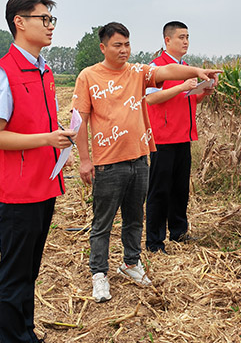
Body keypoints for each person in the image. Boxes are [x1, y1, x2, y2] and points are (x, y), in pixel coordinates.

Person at [72, 22, 221, 303]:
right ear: (103, 47)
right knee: (102, 223)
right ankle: (99, 274)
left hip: (139, 158)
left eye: (127, 44)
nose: (124, 50)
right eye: (118, 45)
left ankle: (131, 263)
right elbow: (79, 121)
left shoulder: (138, 72)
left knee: (134, 219)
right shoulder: (88, 76)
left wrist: (196, 72)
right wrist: (84, 159)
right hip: (107, 162)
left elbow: (167, 71)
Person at [0, 0, 77, 343]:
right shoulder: (4, 72)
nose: (50, 26)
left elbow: (38, 124)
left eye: (52, 19)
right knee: (13, 273)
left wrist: (60, 145)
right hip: (18, 190)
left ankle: (27, 336)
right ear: (20, 22)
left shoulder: (43, 70)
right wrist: (46, 139)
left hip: (43, 184)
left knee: (30, 270)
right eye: (45, 18)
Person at [145, 21, 216, 253]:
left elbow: (188, 99)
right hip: (163, 137)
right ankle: (155, 241)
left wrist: (202, 92)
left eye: (187, 37)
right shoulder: (156, 68)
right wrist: (182, 85)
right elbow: (151, 99)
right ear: (167, 40)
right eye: (181, 37)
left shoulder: (185, 67)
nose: (185, 41)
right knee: (159, 190)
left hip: (184, 136)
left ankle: (178, 232)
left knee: (180, 188)